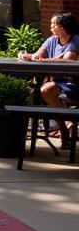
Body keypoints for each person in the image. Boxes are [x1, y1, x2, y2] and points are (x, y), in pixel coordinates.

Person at [18, 12, 79, 141]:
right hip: (56, 82)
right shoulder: (51, 40)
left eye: (53, 24)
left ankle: (64, 127)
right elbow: (37, 55)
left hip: (73, 83)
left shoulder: (76, 40)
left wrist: (46, 60)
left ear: (63, 27)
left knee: (46, 90)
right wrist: (32, 56)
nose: (50, 27)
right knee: (46, 90)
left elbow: (70, 59)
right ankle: (66, 125)